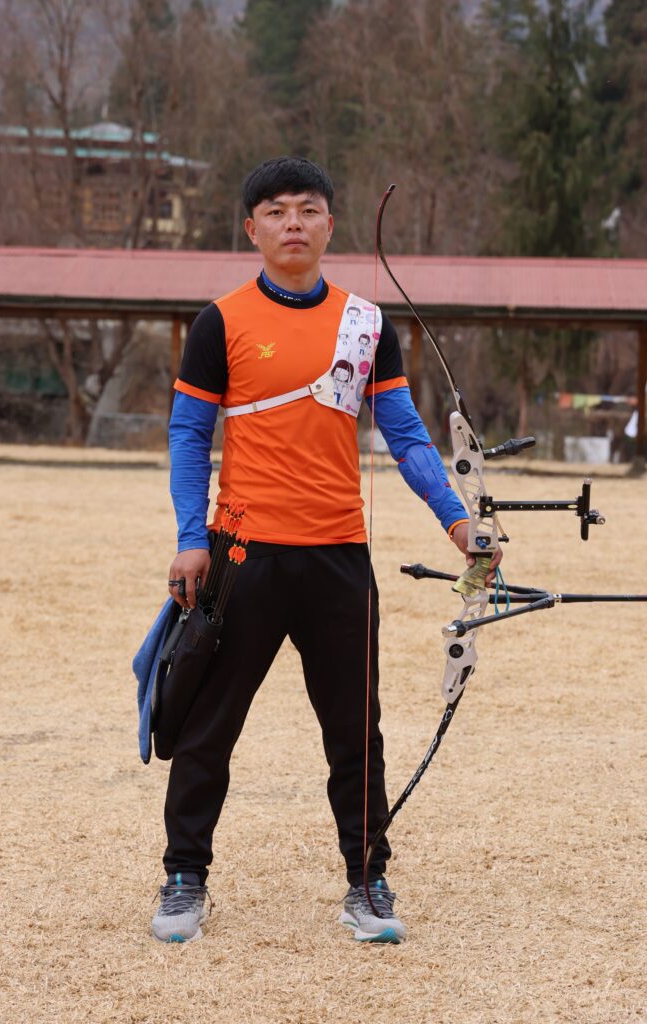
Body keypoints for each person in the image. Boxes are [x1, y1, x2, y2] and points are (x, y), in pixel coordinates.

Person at [151, 155, 497, 945]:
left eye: (308, 209)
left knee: (355, 730)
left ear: (331, 224)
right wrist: (188, 538)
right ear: (252, 229)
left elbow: (406, 436)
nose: (293, 223)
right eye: (275, 211)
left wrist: (457, 523)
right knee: (208, 726)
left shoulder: (368, 326)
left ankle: (367, 881)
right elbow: (188, 433)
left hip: (339, 556)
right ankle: (183, 878)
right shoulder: (221, 322)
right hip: (241, 557)